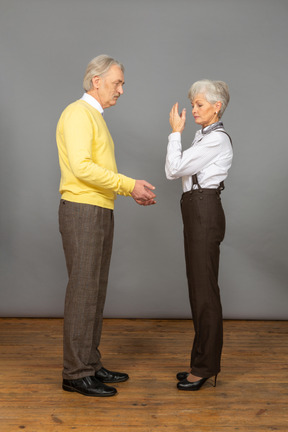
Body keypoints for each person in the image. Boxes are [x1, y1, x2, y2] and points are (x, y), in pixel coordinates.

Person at [56, 55, 156, 397]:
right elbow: (82, 168)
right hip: (83, 209)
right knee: (84, 290)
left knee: (94, 291)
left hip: (98, 207)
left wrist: (126, 191)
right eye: (117, 82)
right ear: (96, 81)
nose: (122, 90)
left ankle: (91, 364)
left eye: (122, 83)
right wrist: (129, 185)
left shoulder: (93, 117)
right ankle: (75, 373)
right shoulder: (78, 113)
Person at [165, 79, 233, 391]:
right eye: (192, 105)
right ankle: (199, 362)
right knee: (198, 288)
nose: (193, 110)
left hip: (204, 209)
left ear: (217, 107)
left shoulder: (216, 140)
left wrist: (174, 134)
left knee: (205, 290)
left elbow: (174, 169)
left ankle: (206, 367)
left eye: (200, 105)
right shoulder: (203, 137)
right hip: (195, 207)